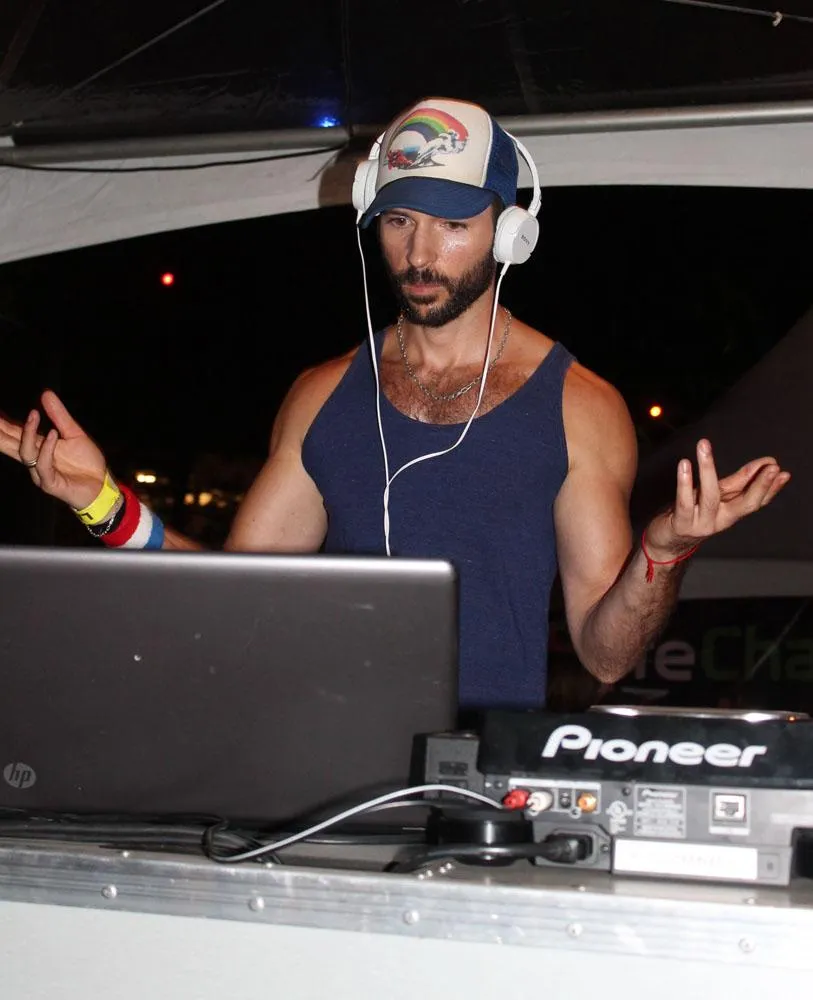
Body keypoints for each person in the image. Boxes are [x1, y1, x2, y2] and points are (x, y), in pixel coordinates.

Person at [0, 97, 790, 710]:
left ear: (509, 233)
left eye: (452, 224)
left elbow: (606, 655)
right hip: (312, 756)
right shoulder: (320, 394)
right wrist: (100, 503)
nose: (418, 254)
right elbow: (237, 597)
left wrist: (665, 548)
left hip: (473, 780)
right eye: (400, 220)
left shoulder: (578, 407)